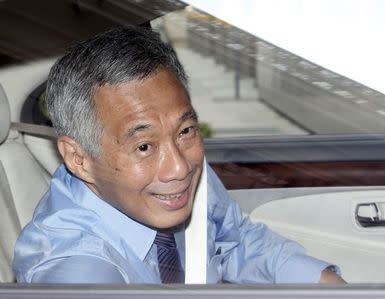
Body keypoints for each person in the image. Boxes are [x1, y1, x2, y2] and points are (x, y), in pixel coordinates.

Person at [13, 26, 345, 284]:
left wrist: (327, 282)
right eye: (144, 147)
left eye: (185, 130)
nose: (179, 167)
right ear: (79, 158)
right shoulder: (76, 269)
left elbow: (234, 239)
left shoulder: (178, 170)